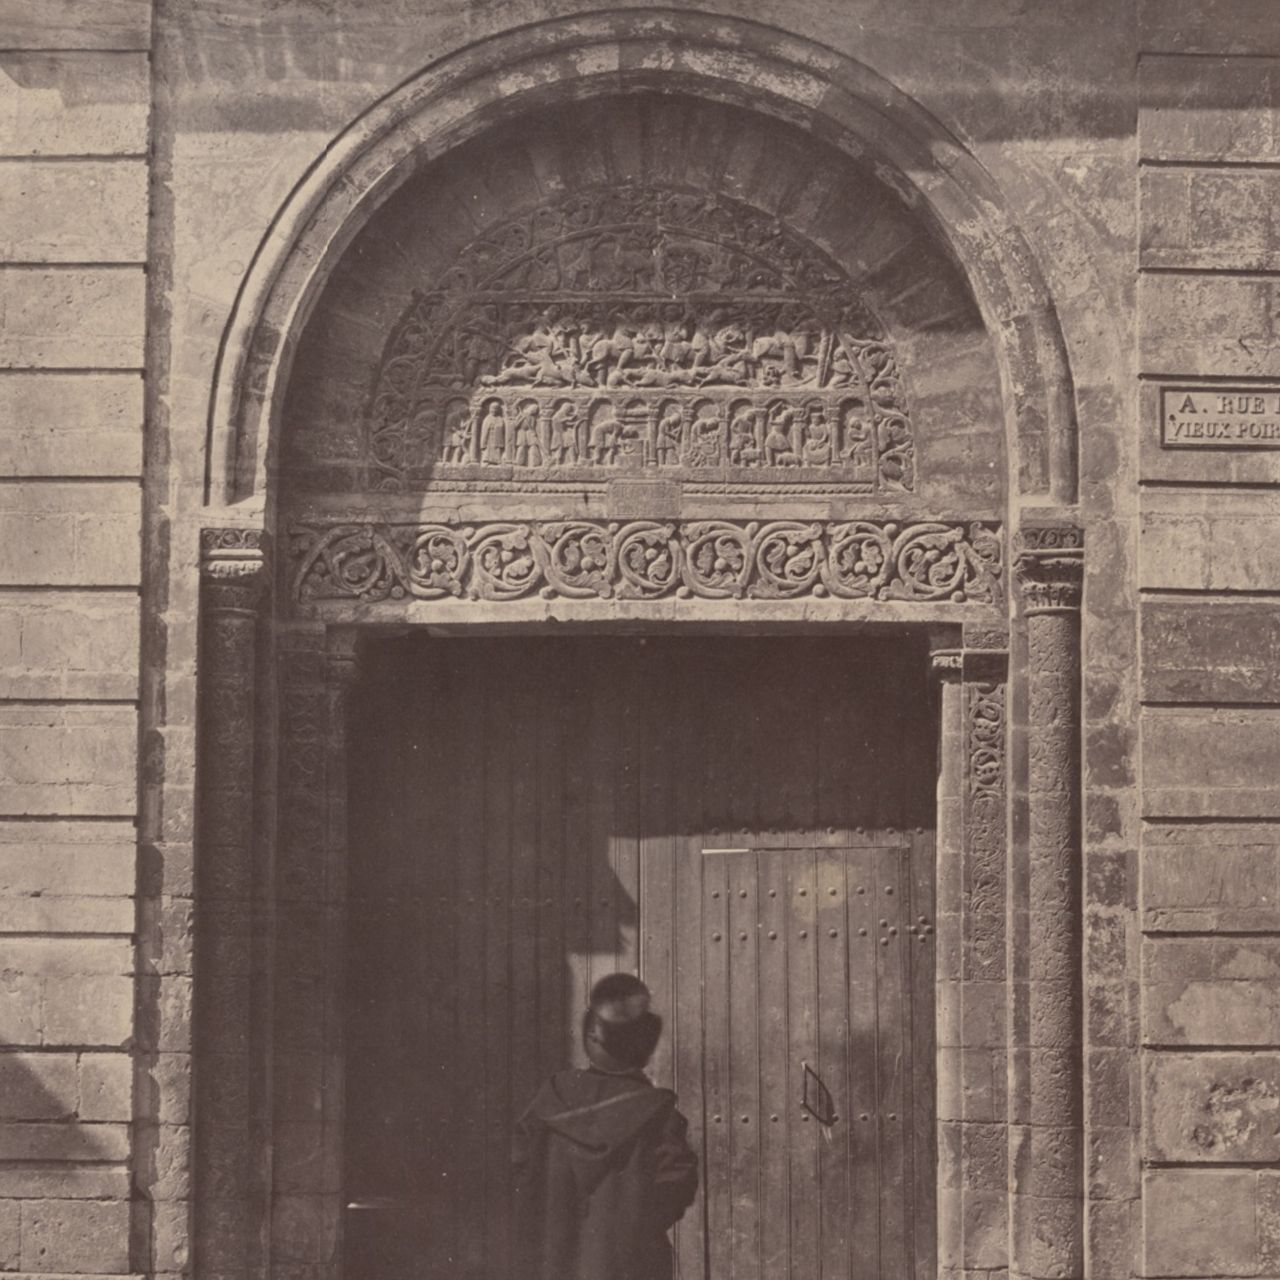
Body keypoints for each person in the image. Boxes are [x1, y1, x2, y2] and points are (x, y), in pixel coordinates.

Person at [512, 974, 699, 1280]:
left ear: (591, 1036)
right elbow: (674, 1190)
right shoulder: (658, 1113)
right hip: (627, 1266)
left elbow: (520, 1171)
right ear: (644, 1044)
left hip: (553, 1262)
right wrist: (632, 1228)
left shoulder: (551, 1097)